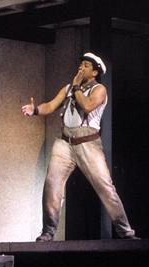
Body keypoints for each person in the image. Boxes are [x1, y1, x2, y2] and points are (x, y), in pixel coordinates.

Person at [21, 52, 137, 241]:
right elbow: (50, 106)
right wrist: (35, 110)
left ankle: (126, 232)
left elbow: (88, 106)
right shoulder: (68, 88)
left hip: (88, 143)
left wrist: (76, 87)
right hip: (65, 143)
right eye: (80, 65)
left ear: (95, 72)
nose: (81, 68)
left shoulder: (99, 90)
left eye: (85, 66)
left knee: (106, 188)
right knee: (52, 185)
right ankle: (48, 231)